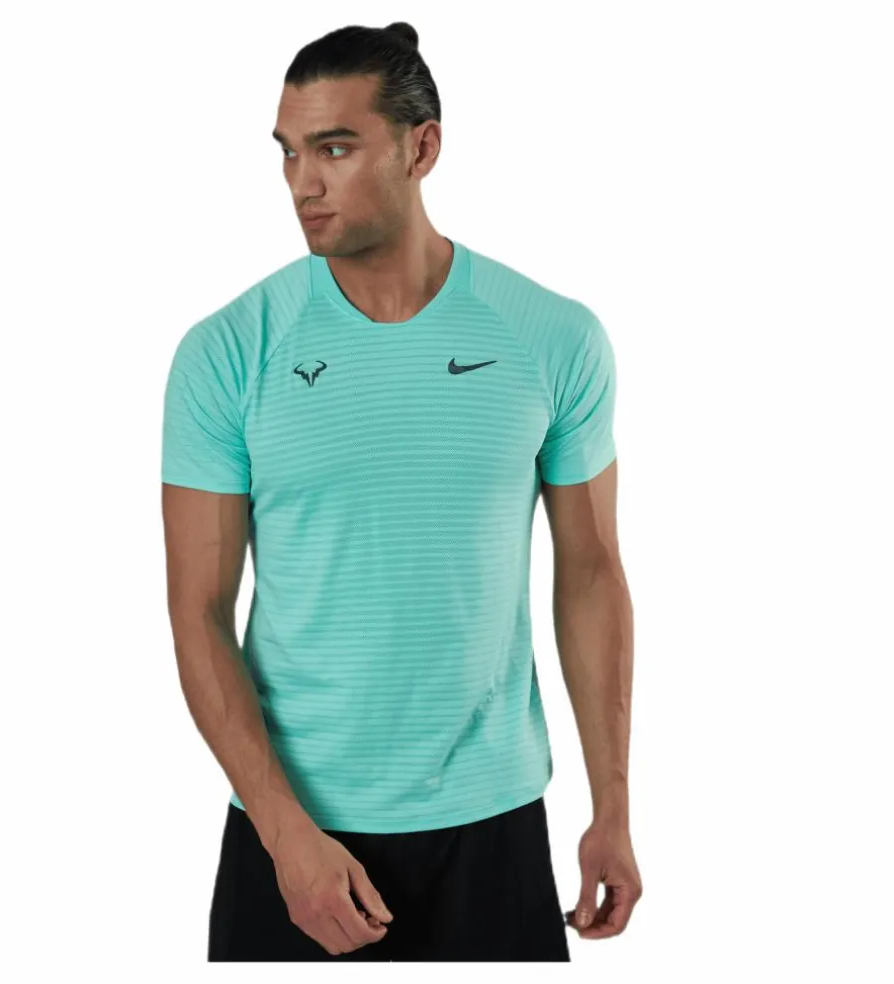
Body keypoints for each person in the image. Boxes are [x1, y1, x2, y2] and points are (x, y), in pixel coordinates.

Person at [161, 20, 641, 962]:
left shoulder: (553, 338)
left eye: (335, 149)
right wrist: (286, 836)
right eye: (289, 151)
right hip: (293, 833)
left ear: (422, 148)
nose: (302, 182)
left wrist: (613, 807)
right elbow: (197, 612)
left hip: (494, 824)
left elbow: (591, 573)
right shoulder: (226, 352)